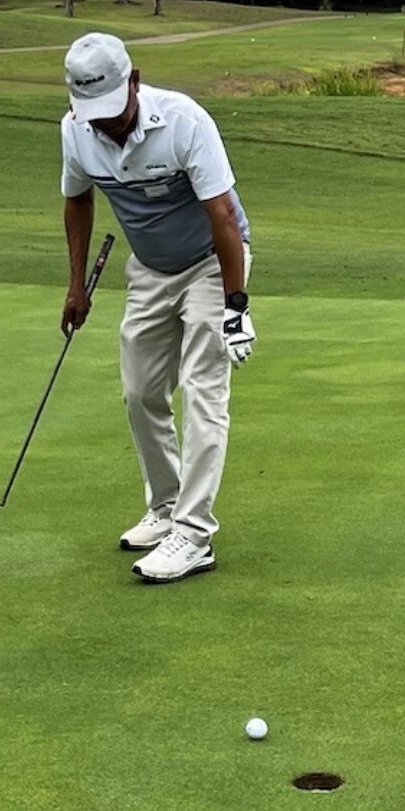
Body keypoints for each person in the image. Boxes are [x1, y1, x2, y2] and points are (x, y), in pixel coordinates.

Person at [59, 32, 255, 583]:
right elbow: (77, 200)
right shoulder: (76, 131)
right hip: (149, 269)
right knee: (141, 391)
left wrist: (235, 307)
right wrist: (77, 287)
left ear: (136, 82)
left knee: (202, 390)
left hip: (211, 263)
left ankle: (193, 535)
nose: (106, 125)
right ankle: (166, 508)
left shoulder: (184, 121)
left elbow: (222, 216)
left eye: (112, 111)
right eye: (93, 114)